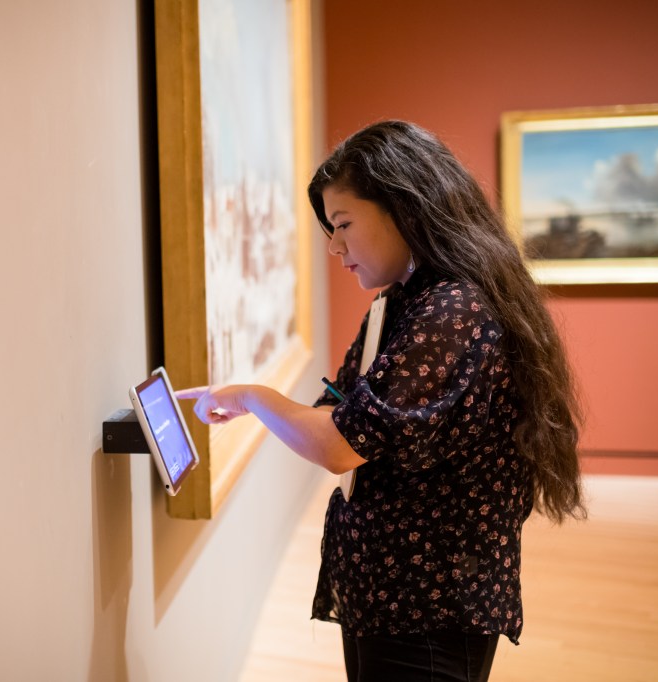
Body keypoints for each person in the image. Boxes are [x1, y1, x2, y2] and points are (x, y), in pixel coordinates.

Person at [176, 120, 586, 682]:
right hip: (392, 592)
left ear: (405, 208)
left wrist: (251, 395)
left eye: (344, 223)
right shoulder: (401, 303)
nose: (333, 246)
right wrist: (257, 404)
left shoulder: (451, 313)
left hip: (430, 604)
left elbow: (341, 444)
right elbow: (339, 409)